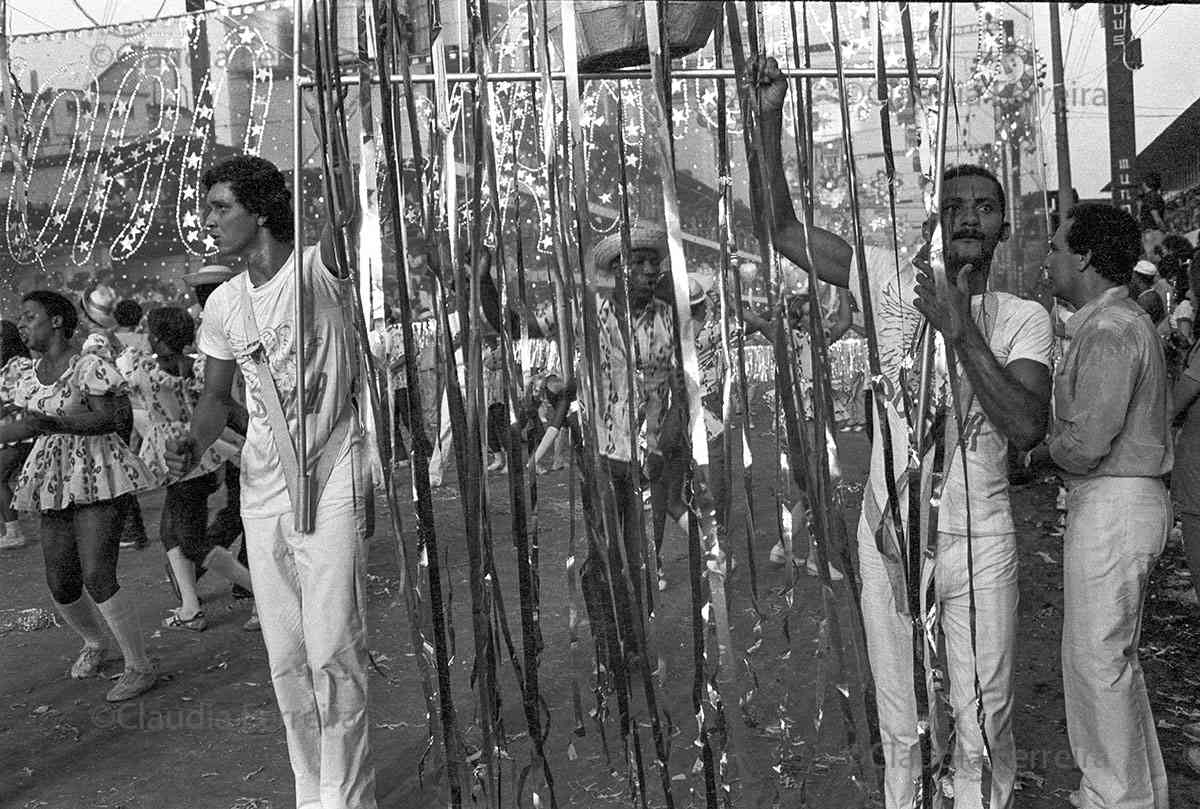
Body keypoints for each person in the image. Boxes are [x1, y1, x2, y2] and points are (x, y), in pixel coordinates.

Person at [756, 55, 1052, 809]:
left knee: (982, 723)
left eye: (985, 207)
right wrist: (766, 119)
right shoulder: (885, 277)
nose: (969, 217)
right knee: (902, 726)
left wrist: (959, 333)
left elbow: (1024, 424)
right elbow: (781, 229)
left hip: (979, 541)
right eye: (955, 205)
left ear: (1002, 229)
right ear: (934, 220)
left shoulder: (1022, 319)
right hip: (888, 535)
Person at [165, 153, 377, 808]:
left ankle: (347, 795)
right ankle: (310, 790)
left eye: (221, 206)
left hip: (333, 467)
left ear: (260, 209)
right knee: (286, 655)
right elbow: (215, 397)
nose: (209, 219)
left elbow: (350, 227)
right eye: (206, 207)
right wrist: (190, 441)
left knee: (333, 646)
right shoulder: (225, 304)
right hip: (261, 482)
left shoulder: (318, 271)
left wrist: (350, 156)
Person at [1044, 202, 1172, 809]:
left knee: (1097, 661)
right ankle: (1134, 794)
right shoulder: (1110, 323)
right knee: (1111, 660)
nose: (1049, 257)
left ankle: (1114, 798)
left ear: (1086, 258)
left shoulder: (1110, 329)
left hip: (1115, 501)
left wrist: (1041, 451)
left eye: (1057, 247)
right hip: (1121, 502)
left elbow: (1087, 442)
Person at [0, 291, 158, 701]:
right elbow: (18, 424)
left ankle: (139, 666)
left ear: (55, 321)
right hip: (52, 475)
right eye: (20, 317)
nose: (21, 324)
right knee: (61, 581)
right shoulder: (23, 372)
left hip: (98, 470)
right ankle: (94, 641)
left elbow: (116, 418)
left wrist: (55, 423)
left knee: (97, 574)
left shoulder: (89, 365)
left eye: (29, 316)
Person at [117, 306, 249, 632]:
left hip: (176, 456)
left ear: (157, 337)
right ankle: (190, 607)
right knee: (169, 532)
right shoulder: (198, 368)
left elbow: (122, 386)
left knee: (190, 541)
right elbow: (224, 406)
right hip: (206, 450)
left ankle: (262, 593)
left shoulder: (146, 371)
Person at [0, 320, 32, 549]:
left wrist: (6, 406)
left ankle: (14, 532)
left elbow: (28, 394)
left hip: (20, 432)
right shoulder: (5, 365)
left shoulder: (21, 364)